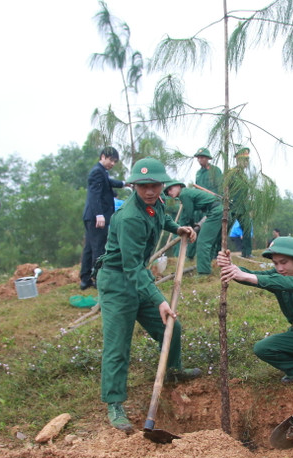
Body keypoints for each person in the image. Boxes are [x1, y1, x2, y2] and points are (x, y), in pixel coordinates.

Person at [98, 158, 202, 432]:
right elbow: (132, 268)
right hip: (118, 281)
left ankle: (172, 371)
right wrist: (159, 300)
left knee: (171, 327)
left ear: (161, 185)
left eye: (155, 185)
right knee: (118, 344)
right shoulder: (129, 217)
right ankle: (114, 402)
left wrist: (177, 228)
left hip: (137, 276)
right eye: (143, 186)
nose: (149, 191)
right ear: (134, 186)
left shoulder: (156, 202)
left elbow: (161, 218)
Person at [217, 236, 293, 397]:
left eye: (283, 262)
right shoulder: (277, 276)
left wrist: (246, 276)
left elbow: (286, 283)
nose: (279, 268)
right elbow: (253, 275)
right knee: (262, 348)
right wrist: (231, 267)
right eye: (275, 263)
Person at [80, 146, 125, 290]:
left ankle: (85, 279)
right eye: (111, 160)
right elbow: (94, 195)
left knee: (89, 248)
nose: (112, 164)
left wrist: (125, 184)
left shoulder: (101, 172)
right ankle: (99, 280)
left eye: (115, 162)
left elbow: (110, 182)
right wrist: (99, 214)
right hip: (96, 217)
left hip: (91, 216)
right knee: (98, 248)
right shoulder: (97, 172)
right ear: (103, 156)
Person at [163, 180, 222, 275]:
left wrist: (191, 226)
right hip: (219, 210)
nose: (169, 192)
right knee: (211, 241)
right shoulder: (186, 193)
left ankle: (203, 273)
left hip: (216, 211)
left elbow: (189, 214)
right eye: (167, 192)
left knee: (203, 242)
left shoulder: (184, 194)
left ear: (179, 186)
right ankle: (207, 266)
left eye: (170, 189)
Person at [227, 147, 254, 258]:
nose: (246, 163)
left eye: (247, 160)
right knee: (224, 229)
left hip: (243, 208)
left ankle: (247, 253)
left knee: (247, 229)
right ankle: (215, 252)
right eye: (244, 160)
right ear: (238, 160)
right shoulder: (231, 173)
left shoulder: (244, 175)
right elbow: (225, 189)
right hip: (232, 206)